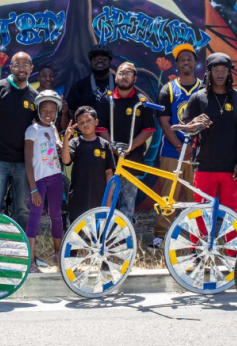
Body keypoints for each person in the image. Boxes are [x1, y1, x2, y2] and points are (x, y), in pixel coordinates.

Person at [181, 53, 237, 213]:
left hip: (231, 166)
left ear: (229, 73)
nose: (220, 74)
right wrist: (195, 122)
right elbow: (187, 129)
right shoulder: (197, 98)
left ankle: (234, 240)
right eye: (216, 70)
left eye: (224, 70)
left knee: (232, 211)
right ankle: (200, 239)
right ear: (209, 72)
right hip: (205, 165)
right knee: (202, 211)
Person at [151, 44, 202, 249]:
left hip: (198, 154)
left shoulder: (204, 88)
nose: (186, 62)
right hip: (172, 151)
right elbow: (164, 121)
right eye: (182, 60)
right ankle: (161, 235)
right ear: (177, 64)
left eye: (189, 58)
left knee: (195, 196)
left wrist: (192, 147)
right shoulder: (168, 89)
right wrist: (180, 145)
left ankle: (196, 237)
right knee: (168, 195)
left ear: (195, 62)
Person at [0, 52, 38, 229]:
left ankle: (20, 247)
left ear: (31, 68)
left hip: (23, 162)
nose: (21, 68)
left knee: (22, 209)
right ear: (10, 68)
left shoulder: (35, 96)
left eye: (25, 64)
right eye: (17, 65)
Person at [96, 62, 156, 219]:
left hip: (133, 157)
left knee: (128, 202)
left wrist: (129, 147)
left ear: (134, 78)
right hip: (109, 157)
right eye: (121, 73)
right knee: (107, 198)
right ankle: (105, 234)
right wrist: (112, 147)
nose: (124, 77)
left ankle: (124, 237)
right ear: (116, 77)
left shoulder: (142, 101)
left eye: (128, 74)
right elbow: (101, 128)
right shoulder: (106, 99)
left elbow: (147, 131)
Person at [24, 90, 64, 273]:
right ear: (37, 109)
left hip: (56, 178)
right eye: (44, 109)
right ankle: (31, 262)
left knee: (57, 216)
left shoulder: (53, 128)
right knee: (35, 218)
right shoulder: (32, 130)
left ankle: (58, 254)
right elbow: (28, 161)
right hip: (39, 181)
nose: (49, 113)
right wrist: (33, 189)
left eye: (52, 110)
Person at [61, 106, 114, 222]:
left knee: (97, 232)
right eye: (81, 122)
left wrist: (109, 199)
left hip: (100, 197)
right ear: (77, 126)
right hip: (78, 197)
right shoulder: (74, 142)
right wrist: (66, 138)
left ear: (96, 121)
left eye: (89, 120)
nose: (85, 124)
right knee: (79, 232)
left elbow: (109, 173)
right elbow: (65, 160)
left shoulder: (105, 145)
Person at [66, 44, 115, 114]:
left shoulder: (118, 83)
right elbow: (71, 110)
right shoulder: (80, 86)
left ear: (110, 61)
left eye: (104, 58)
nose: (100, 61)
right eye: (95, 59)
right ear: (91, 62)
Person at [37, 65, 69, 131]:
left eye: (51, 76)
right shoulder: (32, 96)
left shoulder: (58, 98)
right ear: (38, 78)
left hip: (54, 137)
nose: (48, 78)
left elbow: (64, 128)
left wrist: (64, 112)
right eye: (44, 76)